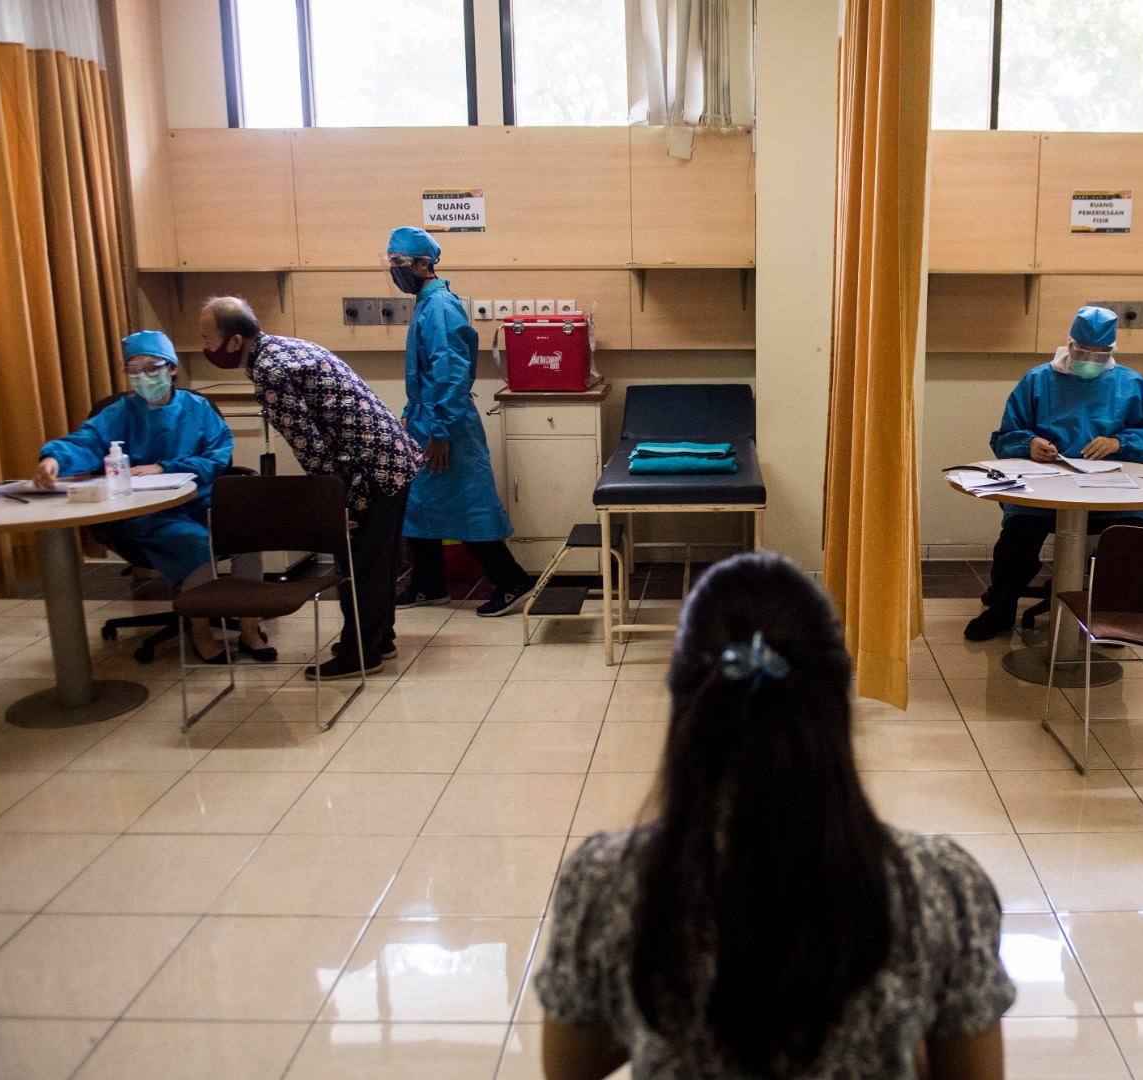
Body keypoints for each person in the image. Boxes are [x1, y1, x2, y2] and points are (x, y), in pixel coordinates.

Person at [535, 551, 1014, 1079]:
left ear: (684, 704)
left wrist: (648, 1006)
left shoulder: (604, 884)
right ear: (836, 702)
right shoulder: (941, 886)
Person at [197, 296, 423, 680]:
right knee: (377, 561)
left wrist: (337, 504)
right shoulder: (285, 346)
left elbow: (309, 445)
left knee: (359, 564)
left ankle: (360, 653)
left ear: (234, 341)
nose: (205, 347)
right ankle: (377, 638)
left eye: (207, 338)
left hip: (369, 468)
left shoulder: (269, 370)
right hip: (391, 456)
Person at [36, 331, 271, 664]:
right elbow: (84, 441)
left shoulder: (197, 407)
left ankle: (249, 629)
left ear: (172, 368)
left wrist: (164, 467)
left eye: (151, 367)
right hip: (151, 513)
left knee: (248, 533)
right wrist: (53, 459)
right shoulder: (120, 414)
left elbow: (219, 455)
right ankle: (201, 635)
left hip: (201, 501)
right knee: (194, 543)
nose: (143, 377)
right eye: (133, 370)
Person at [965, 305, 1143, 641]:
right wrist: (1029, 444)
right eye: (1083, 352)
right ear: (1070, 344)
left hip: (1110, 493)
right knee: (1016, 542)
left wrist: (1117, 441)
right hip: (1042, 495)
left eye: (1100, 354)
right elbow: (1005, 436)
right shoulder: (1038, 380)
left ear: (1111, 351)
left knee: (1130, 540)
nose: (1091, 360)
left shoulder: (1130, 384)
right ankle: (1002, 608)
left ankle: (1111, 616)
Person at [384, 227, 535, 616]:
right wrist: (410, 412)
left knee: (467, 506)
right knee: (420, 505)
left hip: (445, 425)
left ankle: (513, 581)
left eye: (400, 263)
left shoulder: (440, 307)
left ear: (424, 263)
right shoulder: (425, 302)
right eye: (391, 263)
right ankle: (427, 584)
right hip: (427, 418)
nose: (395, 270)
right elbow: (425, 372)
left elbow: (451, 372)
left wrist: (441, 431)